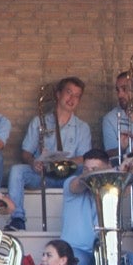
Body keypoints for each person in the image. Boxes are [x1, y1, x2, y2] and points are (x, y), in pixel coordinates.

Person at [6, 76, 91, 231]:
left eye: (77, 96)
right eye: (69, 93)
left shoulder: (82, 127)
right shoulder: (39, 122)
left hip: (69, 177)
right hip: (44, 175)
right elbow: (25, 152)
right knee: (17, 171)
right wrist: (34, 162)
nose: (72, 99)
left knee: (89, 172)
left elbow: (84, 158)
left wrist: (64, 162)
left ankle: (87, 222)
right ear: (58, 94)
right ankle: (17, 219)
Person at [61, 148, 128, 265]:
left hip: (105, 252)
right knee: (74, 261)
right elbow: (78, 184)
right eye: (86, 169)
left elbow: (126, 191)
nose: (90, 173)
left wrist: (129, 168)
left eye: (95, 169)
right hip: (75, 251)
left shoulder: (111, 188)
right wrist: (117, 170)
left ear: (108, 166)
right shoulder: (70, 183)